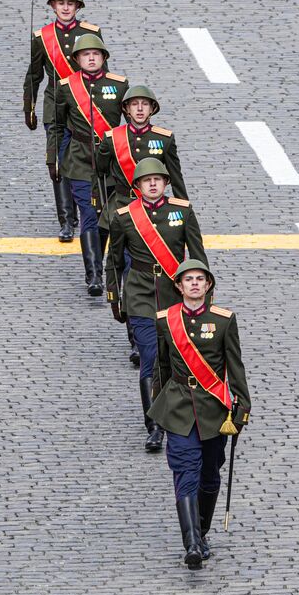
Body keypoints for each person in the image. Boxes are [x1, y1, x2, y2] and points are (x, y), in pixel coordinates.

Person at [149, 260, 250, 570]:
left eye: (199, 279)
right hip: (179, 406)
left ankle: (202, 532)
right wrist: (158, 408)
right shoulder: (166, 320)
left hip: (213, 409)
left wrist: (242, 406)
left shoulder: (223, 320)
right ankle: (191, 542)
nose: (194, 284)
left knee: (209, 474)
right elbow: (162, 367)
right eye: (188, 279)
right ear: (178, 286)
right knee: (185, 472)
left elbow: (235, 365)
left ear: (208, 286)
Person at [106, 158, 208, 452]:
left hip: (176, 296)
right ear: (137, 187)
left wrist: (204, 299)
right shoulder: (125, 217)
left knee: (177, 360)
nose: (152, 184)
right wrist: (115, 296)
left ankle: (179, 415)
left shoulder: (183, 212)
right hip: (140, 295)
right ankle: (154, 426)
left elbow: (199, 257)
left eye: (158, 179)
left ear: (166, 184)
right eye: (146, 180)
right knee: (150, 358)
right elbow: (114, 261)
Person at [96, 84, 187, 368]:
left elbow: (176, 176)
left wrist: (183, 209)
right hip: (128, 214)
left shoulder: (164, 139)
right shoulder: (114, 139)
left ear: (152, 109)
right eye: (133, 104)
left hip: (161, 217)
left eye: (144, 104)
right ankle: (136, 337)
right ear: (125, 109)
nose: (139, 109)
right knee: (129, 273)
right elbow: (100, 172)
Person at [23, 0, 102, 242]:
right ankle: (67, 220)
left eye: (70, 3)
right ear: (53, 6)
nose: (65, 8)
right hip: (55, 105)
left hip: (82, 105)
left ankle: (89, 210)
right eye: (61, 3)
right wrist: (30, 107)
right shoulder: (42, 37)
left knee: (83, 161)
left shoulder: (91, 33)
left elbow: (101, 70)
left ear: (77, 6)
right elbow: (34, 75)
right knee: (57, 162)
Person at [47, 33, 126, 295]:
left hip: (112, 161)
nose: (91, 58)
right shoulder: (66, 87)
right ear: (77, 59)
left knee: (109, 218)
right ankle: (93, 275)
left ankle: (105, 268)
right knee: (89, 216)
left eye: (96, 54)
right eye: (85, 54)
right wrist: (54, 159)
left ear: (103, 58)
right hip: (79, 160)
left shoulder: (120, 86)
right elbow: (58, 127)